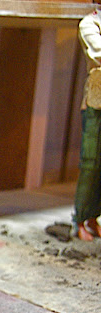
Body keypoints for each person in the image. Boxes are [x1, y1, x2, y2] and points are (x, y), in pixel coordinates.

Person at [75, 1, 101, 241]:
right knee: (90, 163)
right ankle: (80, 218)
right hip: (96, 102)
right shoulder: (90, 23)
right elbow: (98, 53)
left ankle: (94, 216)